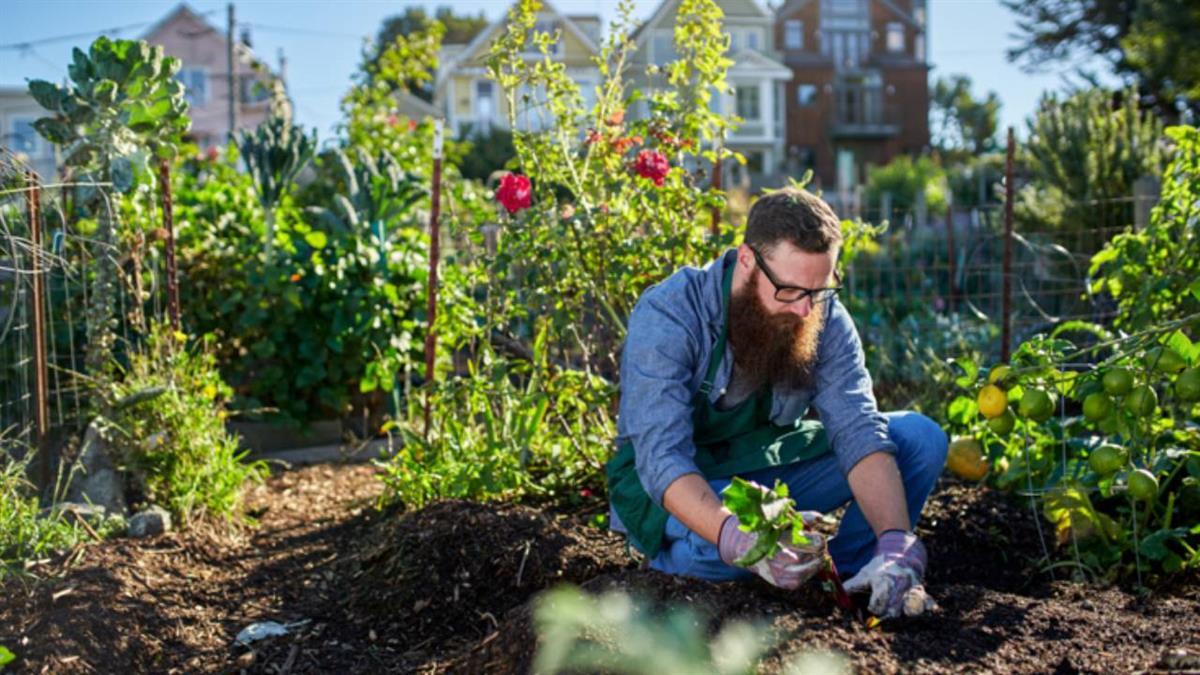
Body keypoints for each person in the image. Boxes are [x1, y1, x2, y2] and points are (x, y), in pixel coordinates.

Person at [605, 186, 948, 619]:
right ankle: (674, 568)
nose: (806, 310)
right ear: (747, 259)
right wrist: (735, 536)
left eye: (819, 291)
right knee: (719, 554)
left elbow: (858, 428)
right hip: (682, 484)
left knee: (919, 439)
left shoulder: (821, 314)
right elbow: (662, 458)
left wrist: (897, 542)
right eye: (789, 291)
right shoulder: (671, 314)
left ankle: (857, 577)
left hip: (764, 468)